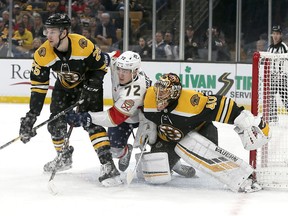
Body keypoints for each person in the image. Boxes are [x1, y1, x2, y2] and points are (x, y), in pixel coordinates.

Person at [18, 13, 122, 187]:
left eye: (52, 32)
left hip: (89, 84)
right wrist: (31, 116)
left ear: (64, 32)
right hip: (64, 87)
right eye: (47, 31)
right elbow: (38, 88)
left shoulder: (83, 44)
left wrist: (93, 85)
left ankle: (107, 164)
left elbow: (100, 66)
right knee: (54, 123)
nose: (48, 35)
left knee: (92, 123)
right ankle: (64, 156)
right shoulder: (42, 54)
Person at [66, 52, 195, 177]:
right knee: (115, 151)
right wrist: (93, 62)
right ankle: (125, 152)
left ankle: (174, 164)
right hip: (124, 117)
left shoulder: (135, 92)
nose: (121, 74)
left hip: (146, 117)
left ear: (135, 72)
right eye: (120, 69)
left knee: (156, 143)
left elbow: (113, 117)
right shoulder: (118, 65)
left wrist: (87, 117)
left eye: (126, 71)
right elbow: (110, 55)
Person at [136, 73, 271, 192]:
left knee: (189, 145)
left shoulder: (191, 102)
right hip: (170, 138)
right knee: (155, 173)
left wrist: (242, 117)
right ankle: (176, 164)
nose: (159, 97)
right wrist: (146, 125)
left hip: (202, 133)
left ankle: (242, 178)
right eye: (158, 92)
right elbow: (139, 112)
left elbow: (220, 104)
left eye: (164, 94)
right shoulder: (149, 98)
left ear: (175, 94)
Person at [267, 25, 288, 122]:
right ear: (272, 35)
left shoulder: (284, 47)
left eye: (277, 34)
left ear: (280, 35)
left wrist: (284, 73)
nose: (275, 36)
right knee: (270, 96)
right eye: (274, 34)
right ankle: (273, 117)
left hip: (282, 77)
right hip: (273, 77)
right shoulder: (270, 48)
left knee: (285, 98)